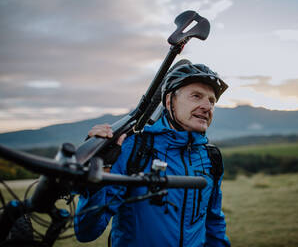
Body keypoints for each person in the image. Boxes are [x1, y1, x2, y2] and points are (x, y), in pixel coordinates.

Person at [74, 60, 231, 247]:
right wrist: (98, 175)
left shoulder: (210, 157)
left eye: (211, 100)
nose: (207, 106)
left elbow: (214, 223)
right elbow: (86, 231)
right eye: (196, 96)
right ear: (168, 100)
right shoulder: (132, 148)